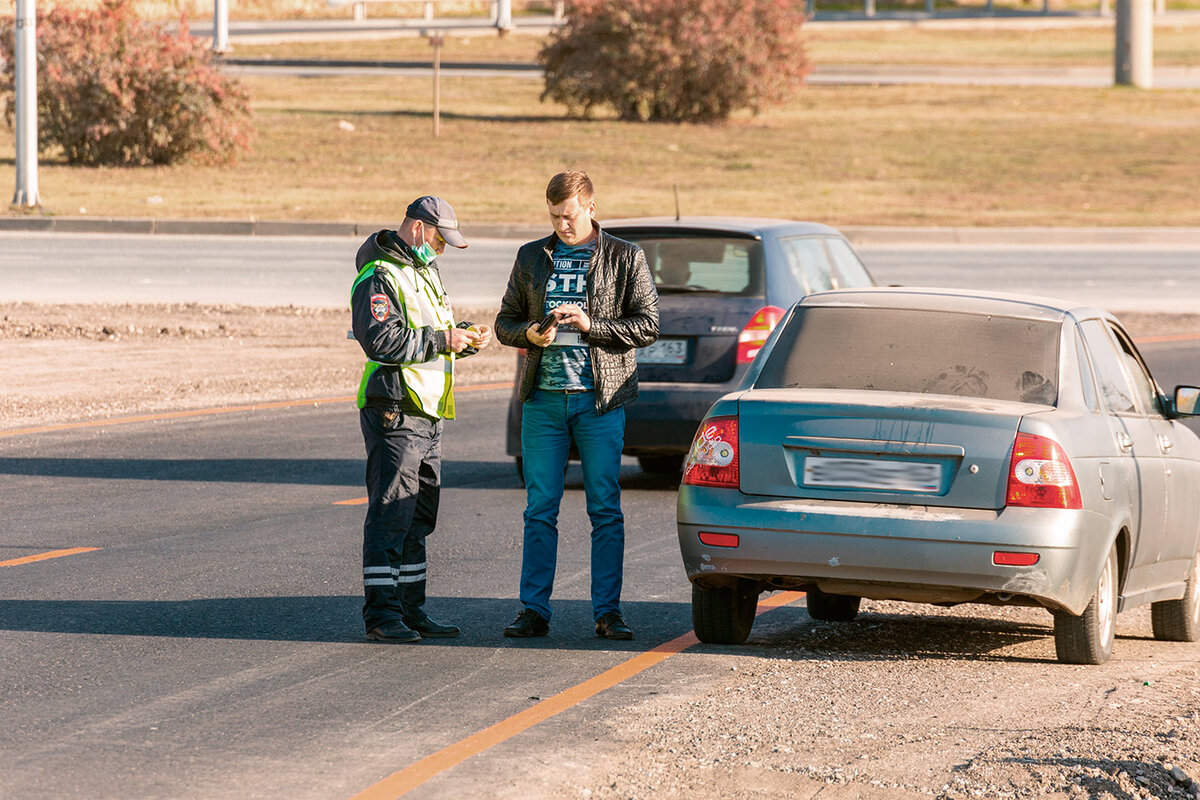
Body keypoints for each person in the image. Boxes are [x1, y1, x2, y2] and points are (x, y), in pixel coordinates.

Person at [494, 171, 659, 640]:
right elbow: (505, 320)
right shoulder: (531, 256)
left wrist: (591, 325)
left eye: (569, 215)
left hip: (599, 403)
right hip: (543, 404)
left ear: (590, 206)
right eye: (554, 216)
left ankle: (608, 612)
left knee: (604, 508)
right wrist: (527, 334)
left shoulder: (625, 256)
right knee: (539, 508)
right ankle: (534, 610)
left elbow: (647, 325)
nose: (563, 225)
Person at [351, 195, 491, 643]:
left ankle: (411, 610)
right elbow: (383, 342)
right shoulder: (379, 276)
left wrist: (462, 337)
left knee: (417, 518)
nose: (442, 249)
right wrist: (443, 338)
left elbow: (429, 332)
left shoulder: (423, 271)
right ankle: (382, 615)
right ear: (417, 229)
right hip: (395, 409)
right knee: (391, 515)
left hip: (427, 414)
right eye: (439, 240)